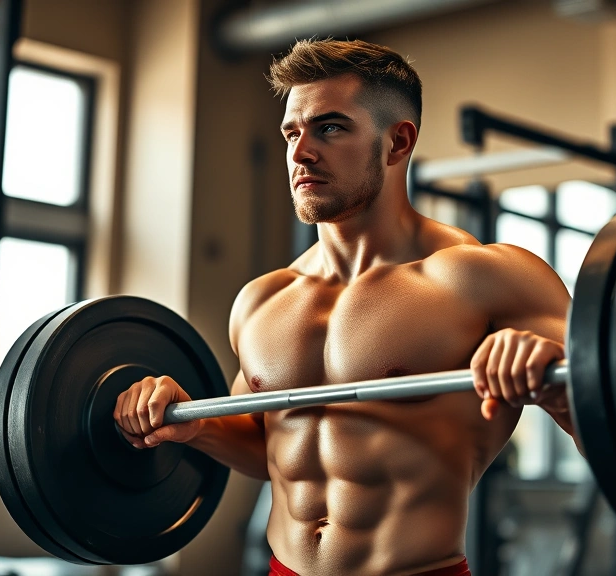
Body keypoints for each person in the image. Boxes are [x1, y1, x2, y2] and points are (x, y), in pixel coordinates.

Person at [115, 38, 577, 576]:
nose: (300, 152)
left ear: (398, 143)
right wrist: (190, 423)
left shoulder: (489, 277)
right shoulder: (263, 299)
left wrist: (554, 383)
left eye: (330, 128)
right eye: (292, 132)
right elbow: (267, 446)